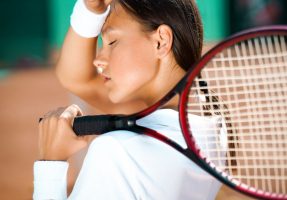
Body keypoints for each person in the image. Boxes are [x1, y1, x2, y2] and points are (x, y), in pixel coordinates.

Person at [33, 0, 223, 199]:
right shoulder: (211, 130)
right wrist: (91, 11)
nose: (98, 59)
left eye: (112, 42)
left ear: (161, 41)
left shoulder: (116, 151)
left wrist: (50, 165)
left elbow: (78, 79)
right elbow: (78, 78)